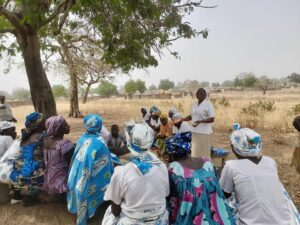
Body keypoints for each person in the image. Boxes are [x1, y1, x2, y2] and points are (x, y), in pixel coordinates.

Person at [219, 125, 300, 225]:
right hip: (285, 221)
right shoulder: (270, 162)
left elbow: (223, 195)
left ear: (234, 147)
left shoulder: (231, 166)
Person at [102, 122, 169, 225]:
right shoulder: (162, 167)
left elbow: (115, 210)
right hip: (160, 221)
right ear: (150, 142)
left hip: (131, 221)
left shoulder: (121, 172)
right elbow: (165, 194)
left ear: (129, 143)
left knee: (109, 213)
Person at [166, 132, 236, 225]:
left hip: (189, 219)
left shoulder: (173, 169)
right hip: (218, 219)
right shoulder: (208, 162)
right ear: (189, 150)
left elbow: (168, 195)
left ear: (171, 154)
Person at [67, 114, 114, 225]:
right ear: (99, 126)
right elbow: (106, 164)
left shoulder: (82, 138)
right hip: (90, 179)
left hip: (76, 177)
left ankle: (79, 208)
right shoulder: (100, 142)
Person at [9, 112, 46, 205]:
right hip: (32, 164)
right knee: (46, 165)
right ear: (38, 124)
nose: (45, 123)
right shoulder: (41, 135)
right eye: (43, 121)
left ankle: (16, 196)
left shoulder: (25, 134)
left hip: (20, 163)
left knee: (20, 173)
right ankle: (33, 196)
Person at [42, 116, 74, 196]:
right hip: (61, 182)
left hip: (49, 179)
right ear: (58, 129)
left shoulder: (46, 142)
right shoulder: (65, 144)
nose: (68, 126)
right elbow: (72, 162)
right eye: (65, 125)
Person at [182, 88, 214, 158]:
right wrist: (182, 119)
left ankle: (205, 166)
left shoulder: (208, 105)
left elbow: (212, 119)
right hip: (194, 130)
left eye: (201, 93)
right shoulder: (194, 105)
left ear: (205, 95)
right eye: (198, 93)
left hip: (204, 132)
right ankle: (196, 165)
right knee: (195, 151)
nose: (199, 95)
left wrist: (201, 121)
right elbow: (191, 116)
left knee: (204, 151)